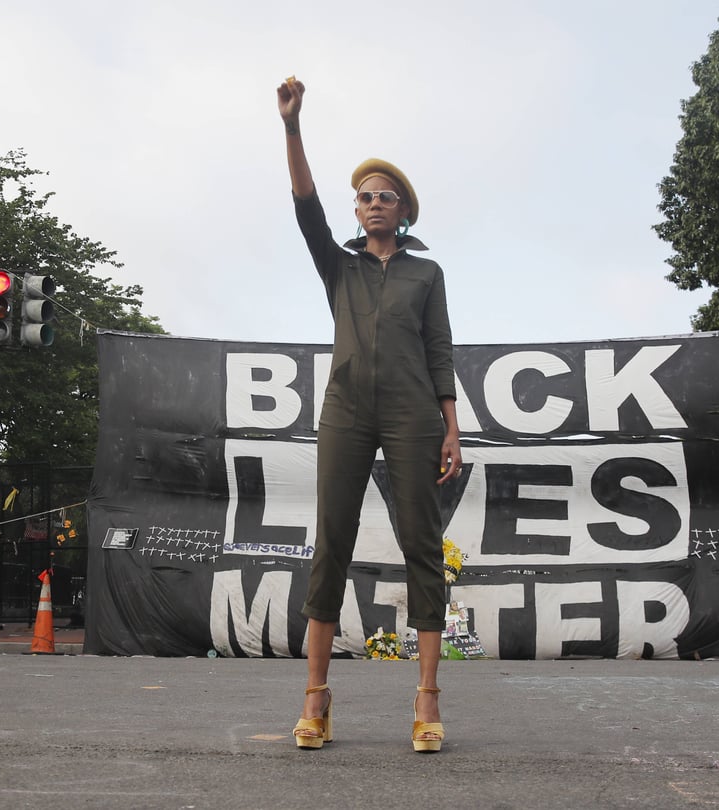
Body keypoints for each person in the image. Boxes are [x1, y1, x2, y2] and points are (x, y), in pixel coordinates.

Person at [277, 76, 463, 754]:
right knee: (332, 541)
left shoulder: (427, 274)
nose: (373, 203)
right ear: (355, 211)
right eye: (364, 196)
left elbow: (439, 349)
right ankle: (315, 698)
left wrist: (450, 426)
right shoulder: (339, 267)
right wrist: (292, 127)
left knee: (421, 543)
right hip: (346, 411)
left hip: (414, 414)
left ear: (403, 211)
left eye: (385, 196)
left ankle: (427, 699)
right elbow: (304, 206)